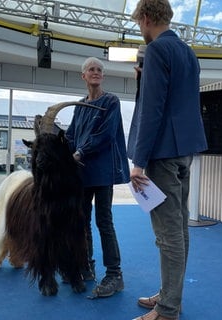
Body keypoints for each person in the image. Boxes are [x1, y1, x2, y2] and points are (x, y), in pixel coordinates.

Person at [127, 1, 207, 319]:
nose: (141, 30)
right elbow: (177, 101)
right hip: (184, 151)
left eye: (139, 24)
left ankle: (168, 309)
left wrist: (139, 162)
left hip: (161, 153)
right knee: (180, 229)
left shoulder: (157, 50)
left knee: (168, 233)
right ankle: (171, 294)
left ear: (146, 19)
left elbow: (152, 110)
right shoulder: (188, 53)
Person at [65, 57, 130, 297]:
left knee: (104, 222)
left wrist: (80, 152)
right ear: (83, 76)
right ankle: (86, 266)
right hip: (82, 173)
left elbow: (105, 135)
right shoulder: (80, 105)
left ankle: (114, 274)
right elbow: (71, 135)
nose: (96, 72)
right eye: (91, 69)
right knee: (81, 223)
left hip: (102, 173)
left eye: (99, 70)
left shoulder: (111, 101)